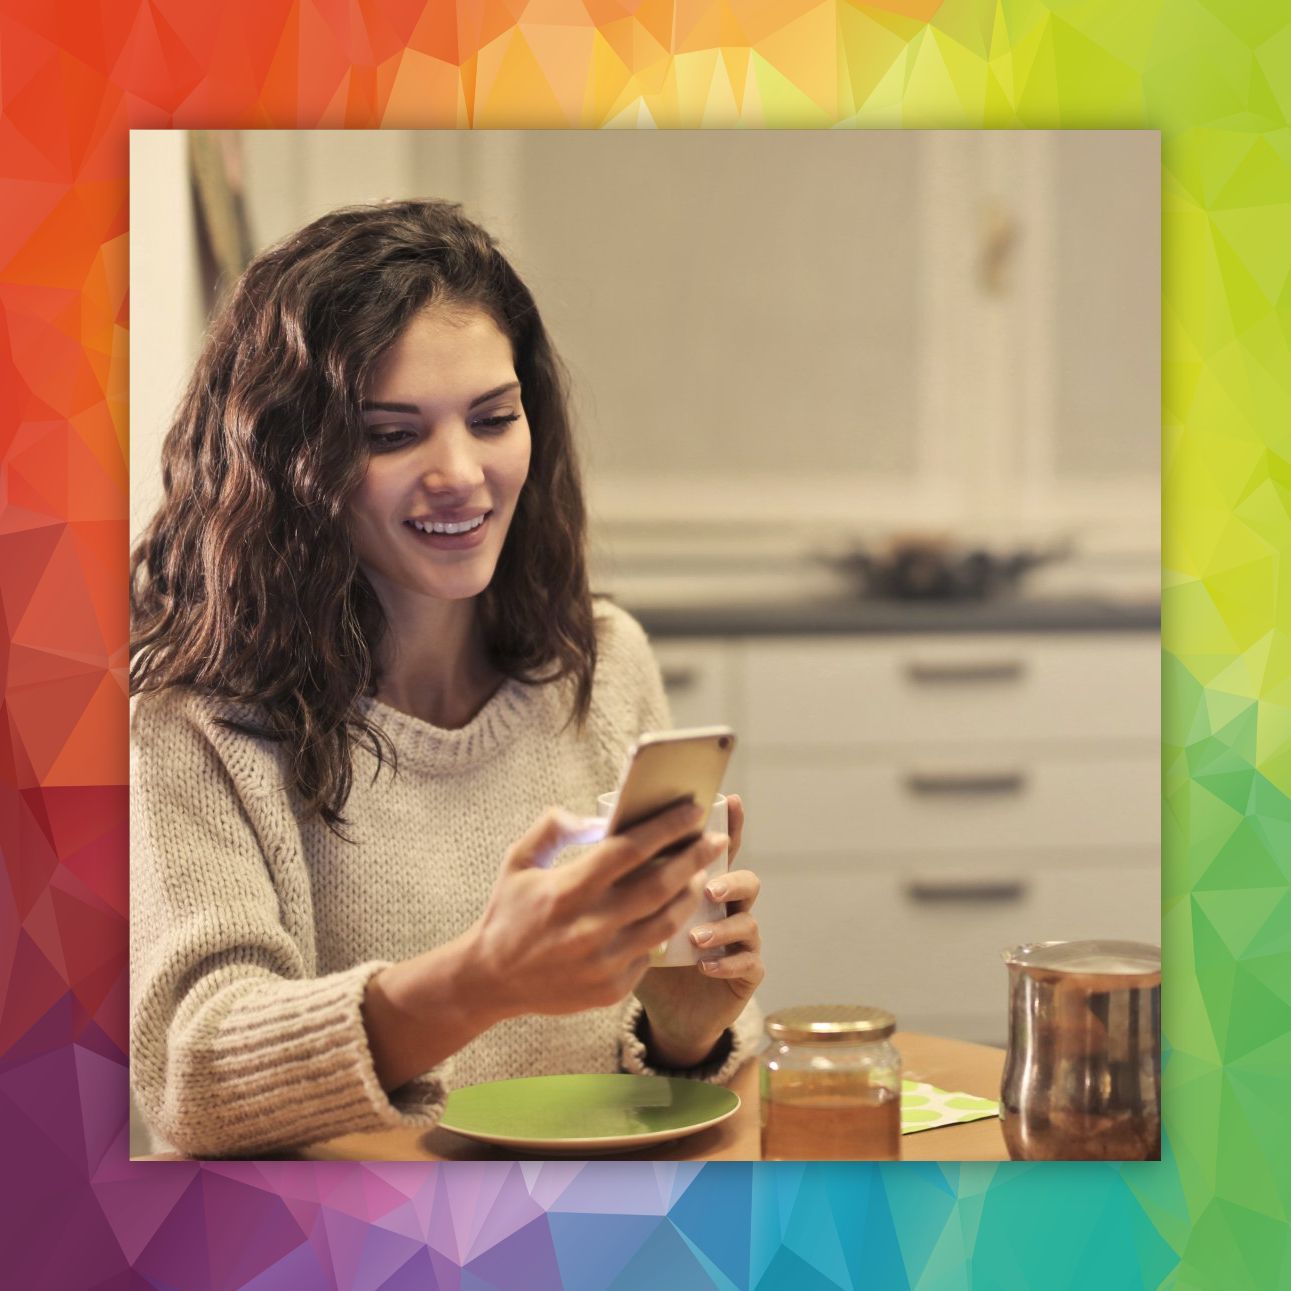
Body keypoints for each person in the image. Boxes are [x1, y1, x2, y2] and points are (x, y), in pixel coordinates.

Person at [129, 199, 764, 1157]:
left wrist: (680, 1025)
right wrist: (482, 977)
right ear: (291, 460)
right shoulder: (193, 722)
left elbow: (640, 1088)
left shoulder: (601, 664)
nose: (461, 473)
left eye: (492, 418)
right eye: (392, 434)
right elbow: (196, 1077)